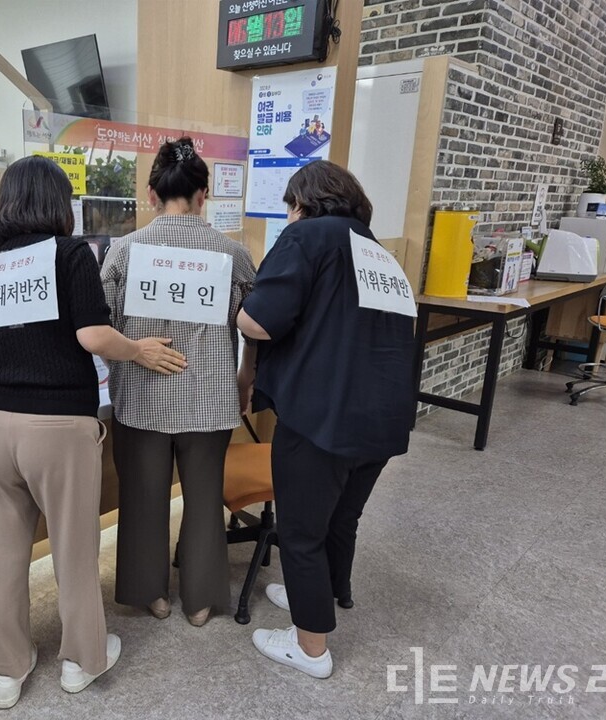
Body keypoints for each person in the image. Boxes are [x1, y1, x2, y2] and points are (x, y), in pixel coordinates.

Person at [0, 156, 187, 709]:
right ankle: (80, 661)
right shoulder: (69, 255)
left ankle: (6, 671)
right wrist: (138, 349)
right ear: (56, 203)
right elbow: (93, 335)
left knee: (1, 553)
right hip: (58, 425)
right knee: (73, 550)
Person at [237, 160, 416, 678]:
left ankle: (310, 648)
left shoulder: (308, 237)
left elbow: (258, 321)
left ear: (302, 203)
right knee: (341, 517)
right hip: (381, 420)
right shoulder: (378, 254)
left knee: (300, 531)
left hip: (322, 417)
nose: (289, 217)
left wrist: (238, 305)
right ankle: (317, 595)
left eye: (289, 207)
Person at [101, 137, 257, 627]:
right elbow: (254, 324)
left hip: (141, 400)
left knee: (144, 499)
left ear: (151, 194)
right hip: (210, 400)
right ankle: (201, 599)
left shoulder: (124, 251)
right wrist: (245, 375)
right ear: (203, 194)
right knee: (205, 499)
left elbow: (100, 323)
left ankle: (152, 595)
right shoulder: (232, 253)